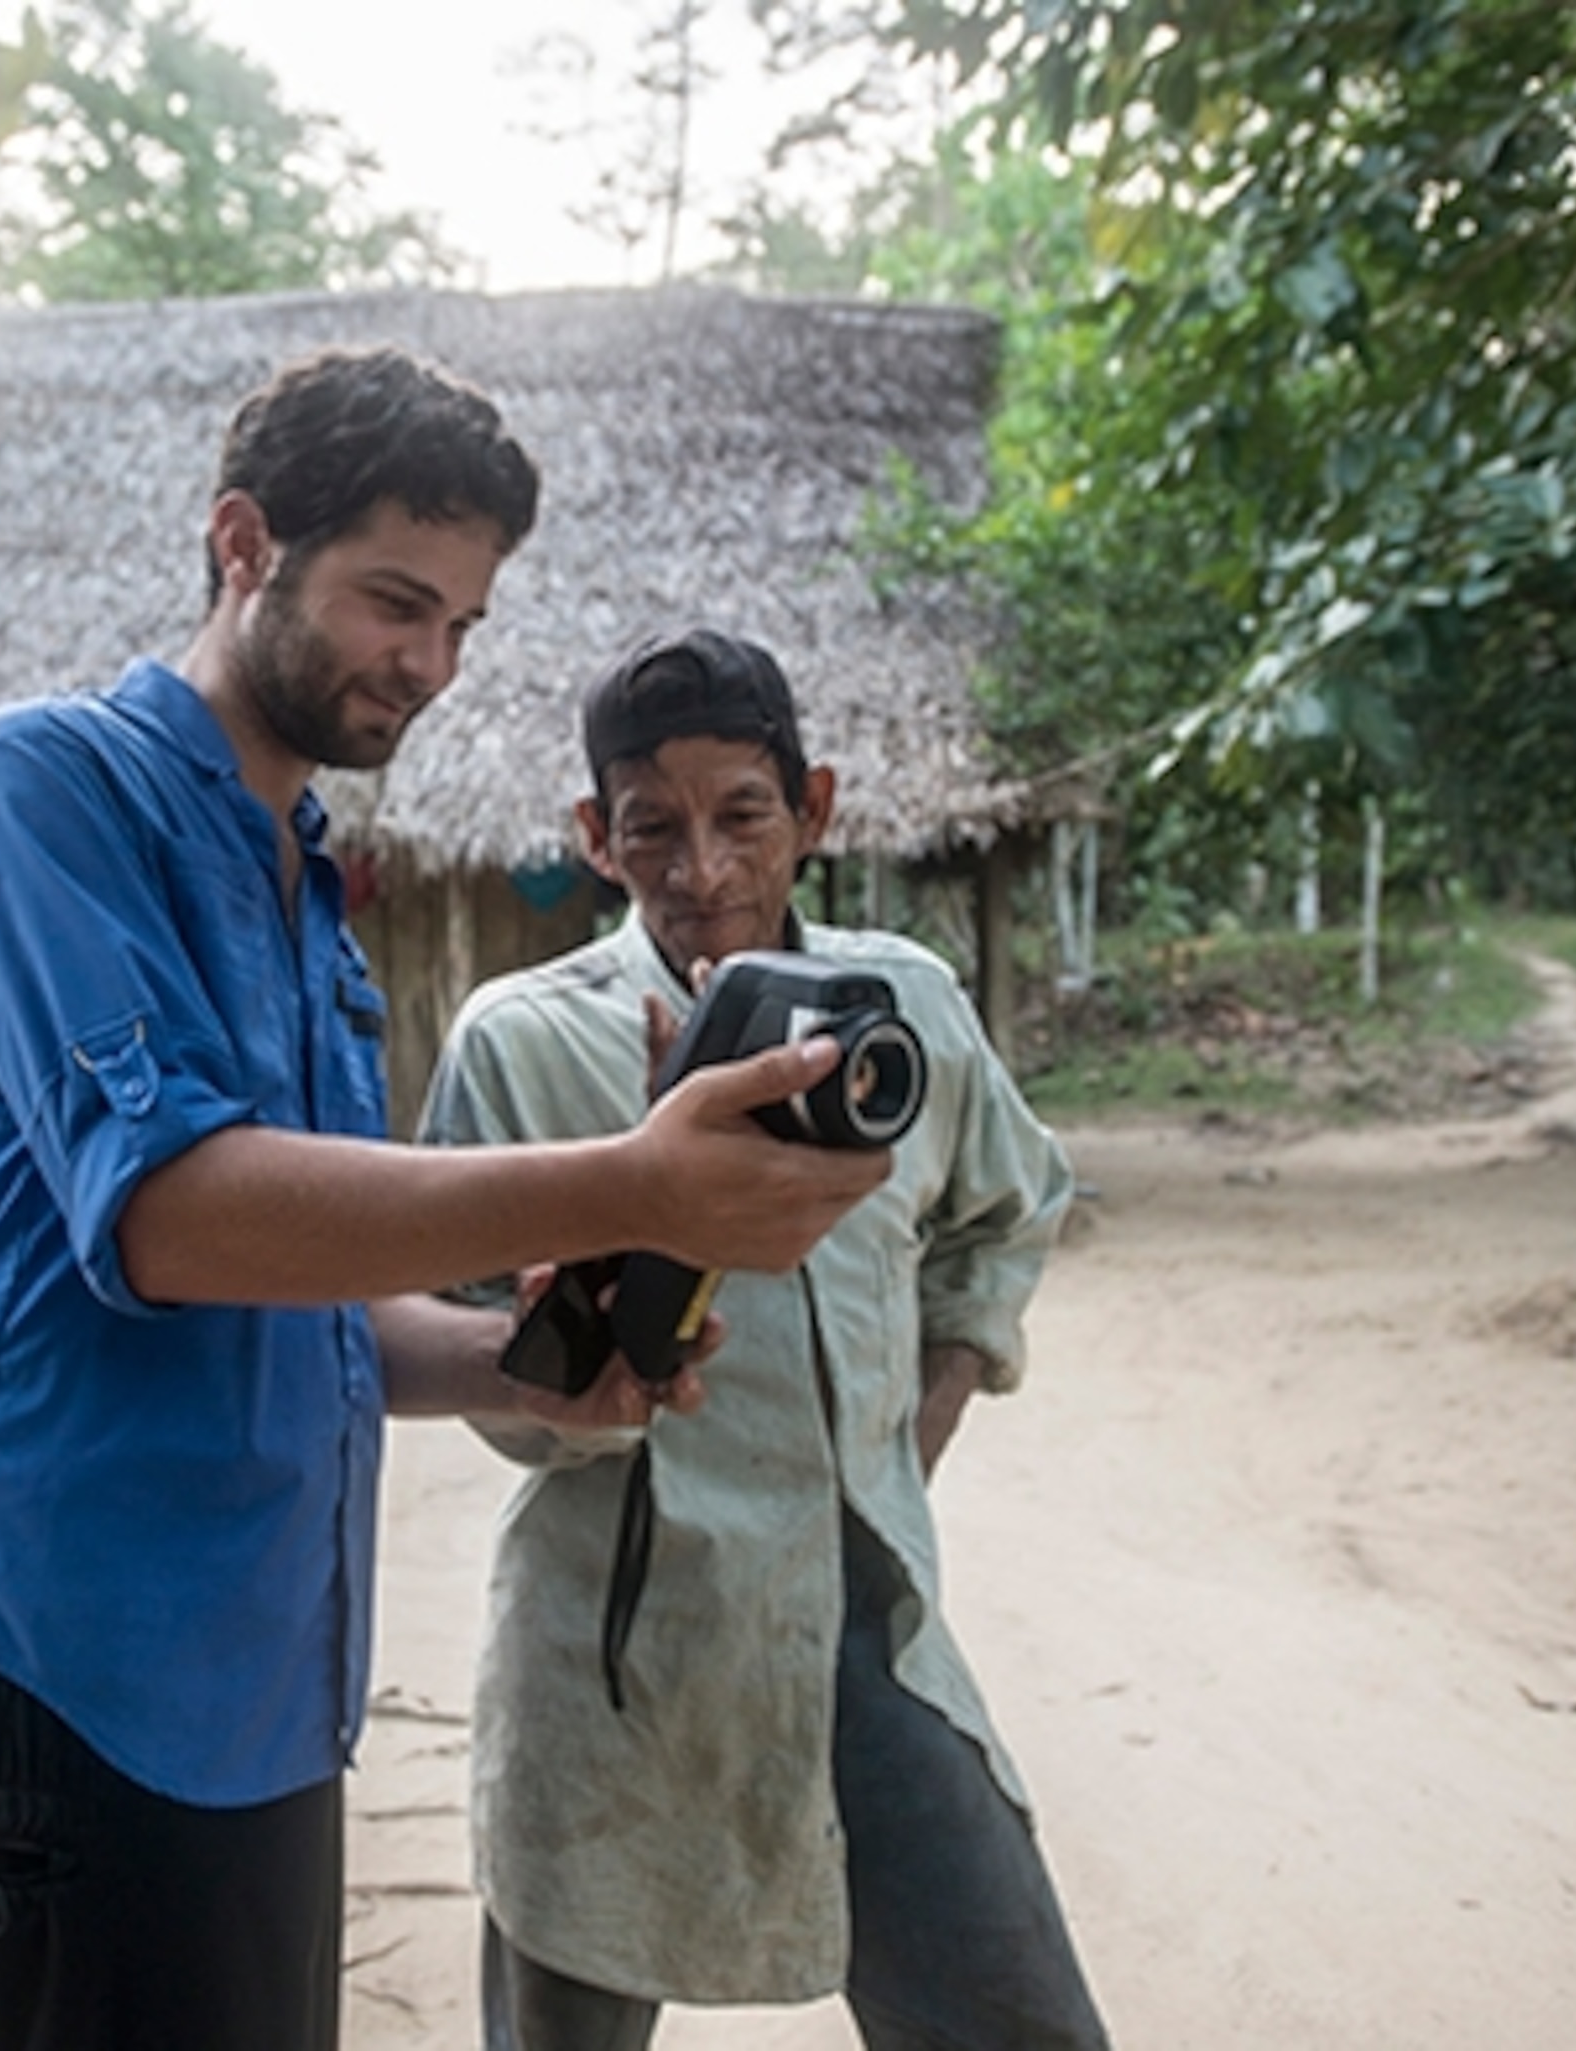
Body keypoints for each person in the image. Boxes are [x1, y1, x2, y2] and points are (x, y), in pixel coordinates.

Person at [0, 351, 893, 2051]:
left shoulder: (305, 889)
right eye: (395, 604)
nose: (431, 667)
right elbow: (176, 1220)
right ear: (246, 543)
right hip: (45, 1665)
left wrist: (522, 1367)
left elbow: (305, 1301)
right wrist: (634, 1175)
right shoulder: (42, 792)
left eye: (466, 625)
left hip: (260, 1692)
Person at [419, 627, 1112, 2050]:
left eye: (744, 816)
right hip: (611, 1661)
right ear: (593, 840)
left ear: (817, 809)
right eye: (651, 829)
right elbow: (460, 1345)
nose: (703, 871)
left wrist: (911, 1439)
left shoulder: (899, 1013)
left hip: (868, 1640)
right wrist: (576, 1374)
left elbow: (1007, 1210)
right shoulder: (524, 1043)